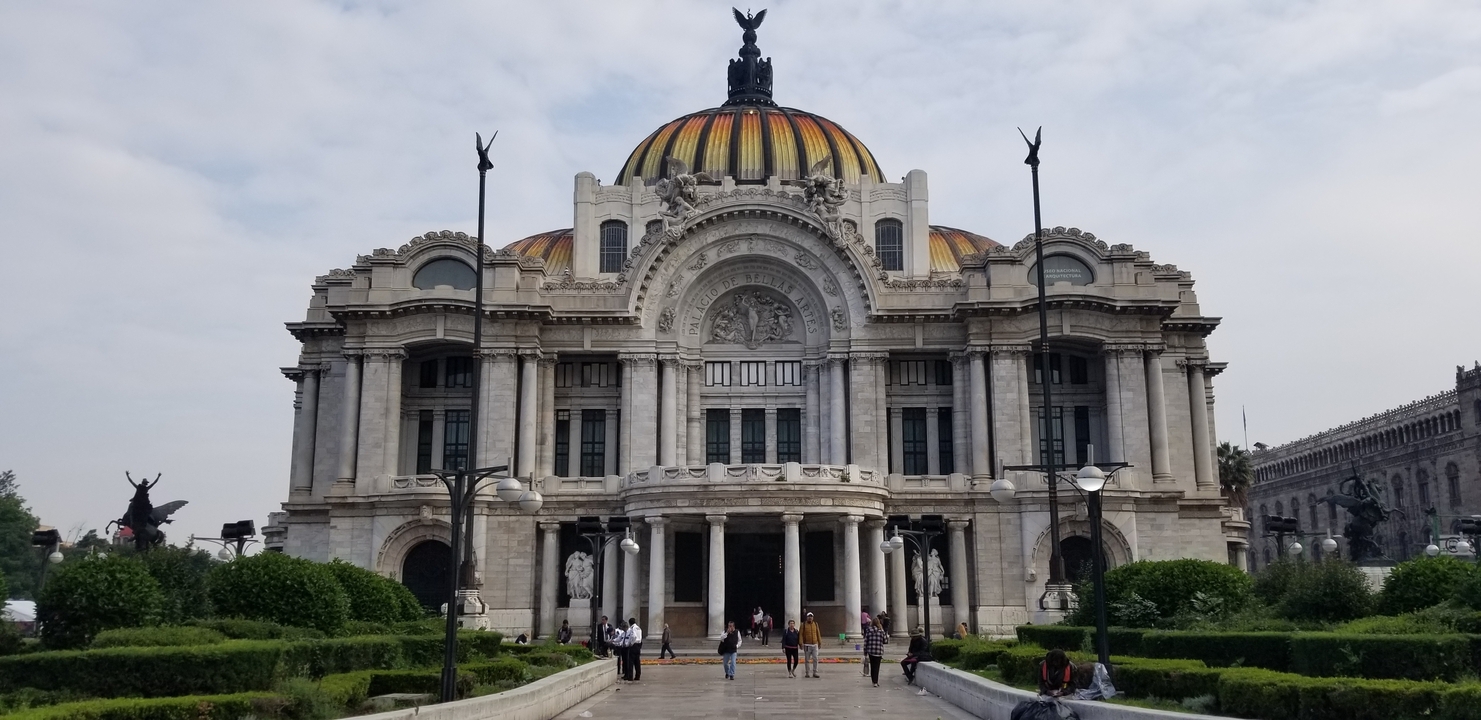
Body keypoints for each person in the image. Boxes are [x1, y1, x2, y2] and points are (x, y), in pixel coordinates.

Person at [862, 617, 887, 687]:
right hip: (879, 651)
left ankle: (873, 681)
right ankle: (876, 681)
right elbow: (885, 641)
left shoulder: (869, 630)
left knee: (872, 666)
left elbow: (866, 641)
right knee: (877, 667)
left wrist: (865, 651)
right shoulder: (881, 631)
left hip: (871, 651)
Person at [799, 612, 822, 678]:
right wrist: (800, 643)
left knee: (815, 659)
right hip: (807, 645)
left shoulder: (815, 624)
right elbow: (801, 634)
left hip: (815, 644)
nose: (810, 618)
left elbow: (818, 633)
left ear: (813, 617)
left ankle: (815, 672)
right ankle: (807, 672)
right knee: (807, 660)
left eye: (811, 616)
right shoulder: (803, 625)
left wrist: (819, 642)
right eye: (809, 616)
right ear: (807, 617)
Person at [626, 617, 644, 682]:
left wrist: (631, 643)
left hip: (634, 645)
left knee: (630, 662)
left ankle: (630, 676)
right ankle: (638, 675)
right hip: (638, 645)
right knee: (637, 662)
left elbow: (634, 636)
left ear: (630, 623)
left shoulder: (632, 628)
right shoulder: (639, 628)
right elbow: (640, 637)